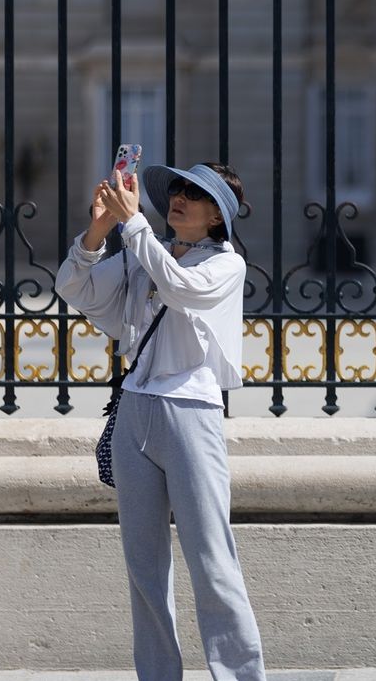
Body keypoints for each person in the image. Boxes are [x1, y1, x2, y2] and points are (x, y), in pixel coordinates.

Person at [53, 162, 266, 680]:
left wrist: (133, 226)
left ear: (217, 215)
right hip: (134, 409)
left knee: (212, 560)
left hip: (190, 413)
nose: (179, 197)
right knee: (143, 566)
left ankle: (240, 675)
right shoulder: (143, 251)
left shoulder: (226, 264)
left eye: (194, 193)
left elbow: (181, 288)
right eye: (176, 188)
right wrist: (98, 232)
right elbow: (73, 287)